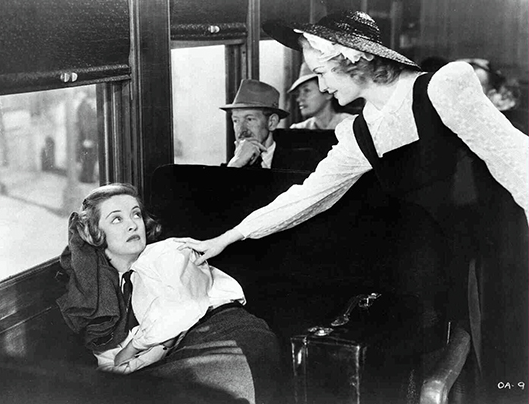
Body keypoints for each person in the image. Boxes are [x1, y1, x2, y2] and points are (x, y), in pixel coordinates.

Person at [176, 10, 528, 403]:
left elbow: (519, 166)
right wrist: (229, 236)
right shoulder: (362, 131)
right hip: (457, 264)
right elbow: (307, 196)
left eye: (322, 73)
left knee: (510, 371)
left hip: (509, 251)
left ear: (352, 58)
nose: (322, 87)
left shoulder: (444, 87)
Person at [56, 183, 280, 403]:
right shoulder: (107, 291)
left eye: (136, 214)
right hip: (187, 350)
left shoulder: (170, 252)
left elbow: (179, 313)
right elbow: (111, 364)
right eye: (117, 219)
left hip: (230, 334)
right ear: (95, 233)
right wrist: (131, 361)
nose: (132, 225)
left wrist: (132, 349)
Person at [222, 79, 289, 169]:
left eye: (249, 119)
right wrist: (235, 164)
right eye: (236, 121)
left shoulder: (300, 162)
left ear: (272, 122)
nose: (241, 129)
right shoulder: (231, 166)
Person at [288, 62, 355, 129]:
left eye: (306, 90)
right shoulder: (298, 130)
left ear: (328, 93)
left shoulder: (352, 125)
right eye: (298, 93)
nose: (299, 99)